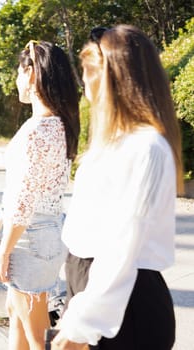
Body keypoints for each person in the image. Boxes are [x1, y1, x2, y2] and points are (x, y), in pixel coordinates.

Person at [51, 25, 183, 350]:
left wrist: (79, 327)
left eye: (87, 72)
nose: (83, 83)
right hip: (93, 289)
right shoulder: (113, 144)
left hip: (124, 303)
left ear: (109, 76)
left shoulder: (146, 147)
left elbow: (122, 246)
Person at [0, 40, 80, 349]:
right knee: (17, 314)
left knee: (38, 337)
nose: (16, 80)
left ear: (32, 73)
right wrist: (1, 216)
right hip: (43, 232)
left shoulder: (39, 129)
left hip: (31, 238)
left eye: (19, 72)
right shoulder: (58, 124)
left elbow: (25, 200)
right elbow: (34, 187)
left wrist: (4, 251)